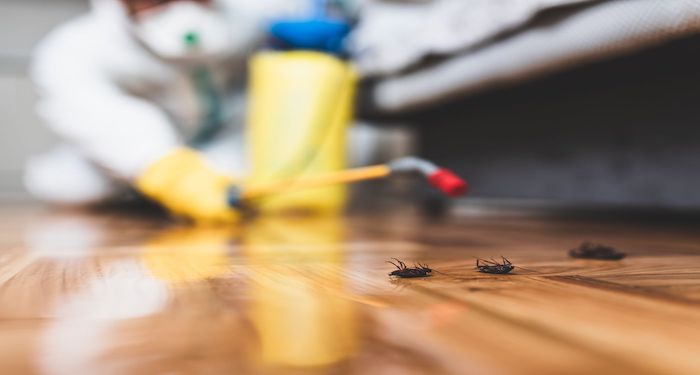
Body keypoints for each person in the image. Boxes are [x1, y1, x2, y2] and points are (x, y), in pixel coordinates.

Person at [25, 0, 305, 223]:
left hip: (227, 138)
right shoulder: (74, 48)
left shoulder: (253, 13)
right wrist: (165, 169)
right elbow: (96, 114)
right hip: (130, 157)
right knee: (72, 186)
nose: (182, 8)